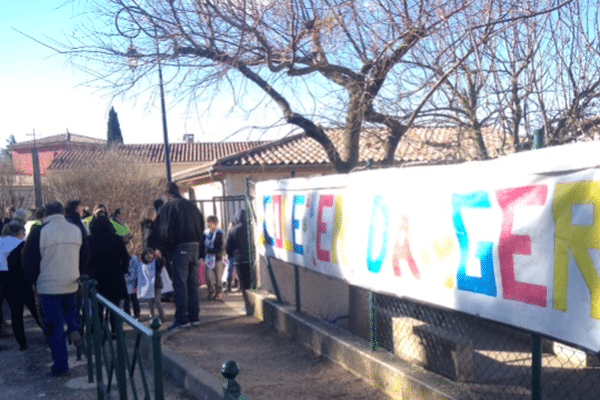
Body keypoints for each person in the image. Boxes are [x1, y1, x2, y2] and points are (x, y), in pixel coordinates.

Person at [22, 201, 88, 376]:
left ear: (46, 214)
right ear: (63, 213)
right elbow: (85, 255)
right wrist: (79, 274)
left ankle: (61, 365)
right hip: (71, 281)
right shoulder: (76, 229)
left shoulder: (39, 232)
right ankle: (74, 328)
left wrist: (34, 281)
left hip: (48, 285)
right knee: (71, 308)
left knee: (54, 326)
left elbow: (29, 260)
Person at [154, 182, 205, 331]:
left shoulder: (169, 207)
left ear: (168, 194)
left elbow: (165, 232)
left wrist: (167, 251)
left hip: (180, 248)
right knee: (192, 283)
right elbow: (201, 227)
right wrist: (201, 251)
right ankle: (194, 317)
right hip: (195, 246)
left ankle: (182, 319)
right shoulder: (192, 206)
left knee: (180, 284)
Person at [1, 221, 44, 350]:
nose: (24, 235)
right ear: (18, 233)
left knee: (16, 314)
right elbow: (26, 263)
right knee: (35, 310)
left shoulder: (1, 243)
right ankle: (48, 332)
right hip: (22, 282)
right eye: (23, 233)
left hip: (5, 283)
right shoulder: (20, 245)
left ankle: (22, 342)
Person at [88, 215, 131, 332]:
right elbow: (125, 257)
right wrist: (123, 270)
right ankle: (116, 331)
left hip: (96, 277)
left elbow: (86, 259)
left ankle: (98, 332)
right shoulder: (116, 239)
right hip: (114, 277)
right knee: (115, 308)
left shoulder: (90, 241)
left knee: (97, 308)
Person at [226, 209, 252, 315]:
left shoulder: (232, 230)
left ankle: (247, 306)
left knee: (243, 284)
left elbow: (228, 247)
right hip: (250, 259)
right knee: (251, 282)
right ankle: (253, 304)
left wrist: (231, 255)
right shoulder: (250, 229)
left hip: (238, 260)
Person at [65, 200, 90, 274]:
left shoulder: (67, 220)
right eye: (80, 206)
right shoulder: (76, 222)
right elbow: (84, 244)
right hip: (76, 264)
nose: (83, 208)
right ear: (75, 208)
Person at [204, 215, 225, 301]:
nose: (208, 225)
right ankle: (211, 291)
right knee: (208, 276)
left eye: (210, 223)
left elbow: (221, 247)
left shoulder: (220, 233)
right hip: (208, 258)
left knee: (218, 277)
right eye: (207, 222)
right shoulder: (206, 233)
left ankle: (218, 292)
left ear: (215, 224)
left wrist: (210, 251)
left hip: (217, 258)